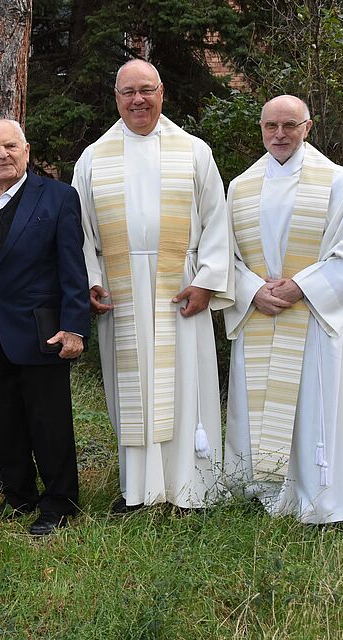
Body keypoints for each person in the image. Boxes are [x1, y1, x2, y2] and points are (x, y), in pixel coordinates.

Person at [72, 60, 233, 511]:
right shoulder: (93, 158)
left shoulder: (194, 151)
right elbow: (78, 230)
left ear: (162, 93)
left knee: (185, 386)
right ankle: (138, 489)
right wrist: (91, 280)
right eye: (128, 92)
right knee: (132, 389)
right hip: (119, 291)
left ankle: (192, 489)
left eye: (146, 90)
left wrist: (207, 282)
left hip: (181, 288)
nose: (138, 100)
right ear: (116, 98)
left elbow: (217, 220)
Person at [223, 95, 343, 523]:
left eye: (290, 125)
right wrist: (252, 290)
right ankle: (263, 489)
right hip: (260, 314)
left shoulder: (336, 180)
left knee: (312, 408)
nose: (279, 134)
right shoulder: (241, 186)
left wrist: (301, 287)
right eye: (270, 126)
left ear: (308, 127)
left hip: (310, 316)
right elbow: (225, 256)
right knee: (259, 405)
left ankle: (318, 494)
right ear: (260, 128)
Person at [0, 118, 89, 535]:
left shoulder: (58, 197)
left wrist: (75, 326)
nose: (2, 155)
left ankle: (60, 502)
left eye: (10, 146)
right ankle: (18, 496)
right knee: (5, 422)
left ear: (26, 152)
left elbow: (73, 268)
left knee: (49, 422)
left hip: (43, 332)